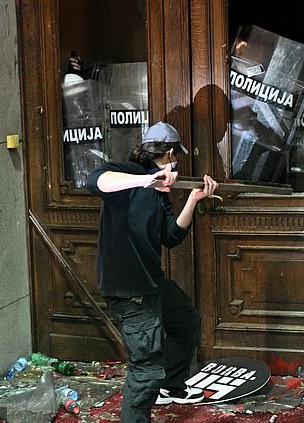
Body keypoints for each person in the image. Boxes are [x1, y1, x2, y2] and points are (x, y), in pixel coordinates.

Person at [87, 121, 218, 422]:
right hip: (128, 288)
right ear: (171, 152)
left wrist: (192, 200)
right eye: (177, 157)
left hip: (151, 281)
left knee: (186, 321)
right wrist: (145, 181)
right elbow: (95, 181)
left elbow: (171, 236)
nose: (177, 163)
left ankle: (171, 386)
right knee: (145, 369)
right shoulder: (129, 173)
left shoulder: (161, 191)